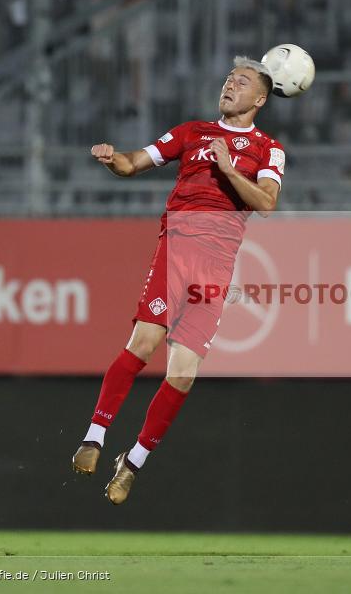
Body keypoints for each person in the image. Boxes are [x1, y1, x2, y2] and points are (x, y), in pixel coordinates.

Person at [72, 56, 285, 505]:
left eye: (241, 81)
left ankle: (132, 463)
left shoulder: (269, 148)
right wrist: (114, 160)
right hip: (180, 244)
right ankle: (94, 437)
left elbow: (267, 203)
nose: (230, 85)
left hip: (218, 261)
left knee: (184, 374)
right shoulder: (192, 132)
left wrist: (229, 170)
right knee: (145, 341)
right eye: (228, 78)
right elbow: (134, 163)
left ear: (260, 99)